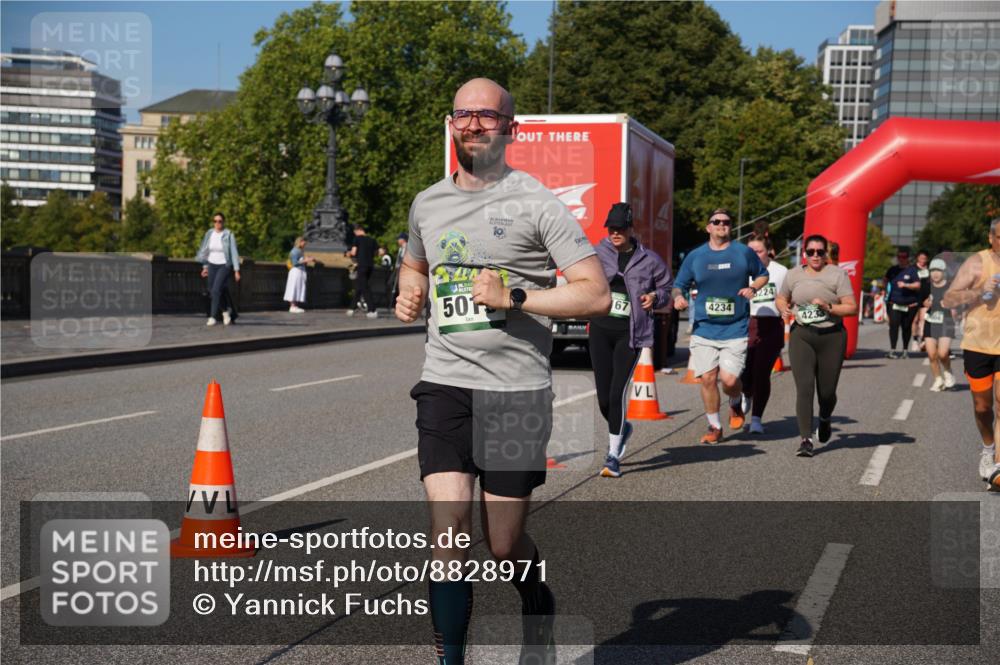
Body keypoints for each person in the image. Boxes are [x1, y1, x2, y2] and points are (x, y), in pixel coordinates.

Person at [394, 77, 610, 664]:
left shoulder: (538, 204)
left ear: (511, 129)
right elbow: (415, 264)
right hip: (445, 383)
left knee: (505, 545)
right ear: (450, 124)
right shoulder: (427, 202)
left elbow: (595, 294)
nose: (473, 124)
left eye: (487, 116)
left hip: (515, 393)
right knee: (448, 534)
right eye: (463, 114)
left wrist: (513, 297)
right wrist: (410, 290)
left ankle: (536, 599)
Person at [672, 208, 769, 444]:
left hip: (735, 328)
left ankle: (735, 401)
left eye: (726, 222)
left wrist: (753, 288)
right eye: (716, 221)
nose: (721, 225)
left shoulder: (743, 252)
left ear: (730, 227)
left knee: (729, 380)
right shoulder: (696, 256)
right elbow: (678, 285)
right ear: (708, 227)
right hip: (704, 328)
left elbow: (763, 274)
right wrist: (678, 297)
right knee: (707, 378)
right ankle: (714, 426)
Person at [590, 201, 672, 478]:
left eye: (620, 229)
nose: (615, 233)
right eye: (611, 228)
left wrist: (655, 297)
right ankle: (622, 428)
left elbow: (666, 287)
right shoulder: (598, 252)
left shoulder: (649, 259)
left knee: (617, 394)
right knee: (604, 399)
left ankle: (613, 455)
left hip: (630, 333)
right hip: (600, 329)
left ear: (630, 229)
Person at [776, 235, 857, 457]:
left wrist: (828, 306)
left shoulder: (837, 274)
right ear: (804, 253)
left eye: (820, 252)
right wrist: (783, 307)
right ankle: (806, 439)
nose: (815, 256)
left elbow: (851, 307)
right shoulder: (793, 274)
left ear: (825, 254)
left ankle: (825, 417)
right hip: (802, 335)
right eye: (810, 252)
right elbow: (781, 297)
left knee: (827, 392)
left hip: (832, 336)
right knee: (804, 387)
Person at [941, 218, 1000, 489]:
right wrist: (978, 291)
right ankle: (988, 448)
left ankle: (998, 465)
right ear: (991, 238)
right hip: (978, 344)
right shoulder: (977, 263)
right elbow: (948, 298)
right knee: (982, 407)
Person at [739, 233, 788, 434]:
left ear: (769, 251)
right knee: (744, 371)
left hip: (771, 325)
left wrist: (787, 308)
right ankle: (745, 392)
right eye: (750, 251)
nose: (754, 255)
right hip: (746, 324)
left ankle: (756, 419)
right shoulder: (741, 271)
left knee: (762, 372)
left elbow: (787, 296)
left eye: (758, 251)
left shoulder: (781, 271)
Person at [196, 212, 240, 326]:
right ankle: (225, 312)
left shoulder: (228, 234)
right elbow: (205, 251)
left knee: (216, 290)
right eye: (215, 221)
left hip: (224, 265)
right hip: (211, 265)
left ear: (223, 222)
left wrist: (236, 270)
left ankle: (212, 317)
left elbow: (234, 252)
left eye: (220, 221)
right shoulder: (209, 233)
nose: (217, 223)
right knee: (212, 291)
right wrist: (205, 267)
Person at [923, 258, 957, 392]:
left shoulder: (950, 286)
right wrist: (926, 303)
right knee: (932, 354)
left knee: (942, 354)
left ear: (944, 272)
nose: (935, 274)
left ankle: (948, 372)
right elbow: (922, 301)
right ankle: (938, 379)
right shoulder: (927, 286)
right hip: (930, 322)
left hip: (945, 322)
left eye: (938, 270)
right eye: (932, 271)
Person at [885, 248, 921, 358]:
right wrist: (886, 289)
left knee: (906, 327)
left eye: (904, 257)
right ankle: (892, 350)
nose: (901, 259)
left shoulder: (912, 270)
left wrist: (906, 285)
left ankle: (905, 351)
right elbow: (885, 279)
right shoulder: (893, 269)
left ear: (907, 258)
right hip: (894, 303)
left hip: (909, 304)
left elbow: (918, 285)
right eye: (899, 257)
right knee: (893, 325)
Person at [347, 225, 378, 318]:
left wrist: (348, 253)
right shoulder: (372, 240)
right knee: (360, 286)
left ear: (358, 230)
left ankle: (372, 309)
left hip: (362, 265)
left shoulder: (357, 239)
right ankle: (352, 308)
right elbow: (378, 252)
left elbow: (353, 252)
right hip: (370, 265)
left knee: (364, 287)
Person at [283, 236, 315, 313]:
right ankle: (292, 306)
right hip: (296, 271)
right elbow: (295, 263)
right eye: (304, 242)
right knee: (294, 287)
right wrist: (306, 260)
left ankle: (295, 305)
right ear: (300, 242)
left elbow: (300, 261)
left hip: (300, 271)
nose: (305, 244)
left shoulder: (300, 251)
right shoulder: (295, 251)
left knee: (298, 287)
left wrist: (306, 260)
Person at [911, 249, 932, 351]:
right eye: (921, 258)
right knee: (915, 320)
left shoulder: (930, 270)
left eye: (924, 258)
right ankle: (915, 340)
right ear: (917, 258)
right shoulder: (912, 269)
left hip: (926, 298)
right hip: (914, 297)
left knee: (924, 319)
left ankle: (923, 340)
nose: (923, 260)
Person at [390, 231, 409, 309]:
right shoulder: (401, 249)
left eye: (399, 239)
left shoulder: (407, 248)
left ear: (403, 239)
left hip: (405, 270)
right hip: (399, 270)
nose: (398, 241)